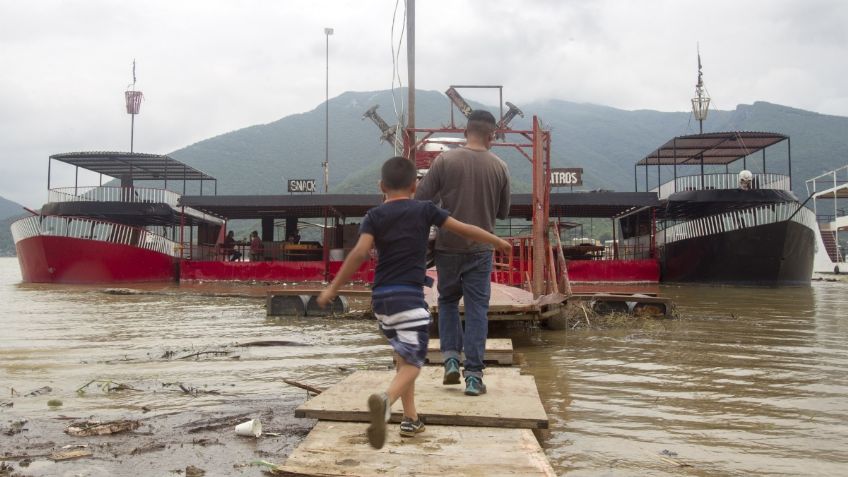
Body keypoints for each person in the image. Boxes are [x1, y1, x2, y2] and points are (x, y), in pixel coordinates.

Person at [317, 156, 510, 449]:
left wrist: (333, 288)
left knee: (402, 356)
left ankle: (411, 419)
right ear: (415, 185)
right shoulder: (425, 210)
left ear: (381, 186)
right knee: (415, 363)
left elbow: (358, 253)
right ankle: (385, 402)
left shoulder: (373, 216)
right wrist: (495, 241)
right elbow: (464, 228)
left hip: (381, 299)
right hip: (409, 297)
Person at [414, 109, 510, 396]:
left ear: (465, 131)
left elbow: (421, 199)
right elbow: (503, 212)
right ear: (491, 135)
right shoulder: (500, 167)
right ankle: (474, 376)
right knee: (478, 309)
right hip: (481, 248)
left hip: (448, 247)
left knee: (447, 302)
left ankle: (451, 359)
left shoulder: (445, 160)